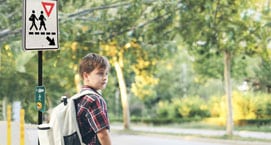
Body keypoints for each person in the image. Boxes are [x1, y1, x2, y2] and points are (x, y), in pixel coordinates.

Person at [76, 53, 112, 145]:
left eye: (106, 73)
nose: (105, 78)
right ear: (86, 76)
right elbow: (103, 135)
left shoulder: (80, 97)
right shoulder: (93, 100)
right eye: (100, 73)